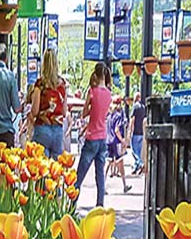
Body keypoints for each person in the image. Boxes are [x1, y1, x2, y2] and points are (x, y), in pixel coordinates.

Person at [76, 62, 113, 206]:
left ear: (96, 75)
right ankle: (100, 207)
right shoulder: (109, 95)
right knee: (100, 178)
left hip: (91, 137)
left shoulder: (92, 91)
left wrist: (90, 108)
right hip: (103, 138)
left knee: (79, 177)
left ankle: (71, 207)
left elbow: (84, 113)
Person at [28, 48, 68, 158]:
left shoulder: (40, 84)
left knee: (41, 167)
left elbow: (35, 111)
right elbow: (64, 112)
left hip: (42, 128)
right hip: (58, 131)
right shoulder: (62, 84)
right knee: (55, 170)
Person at [105, 99, 131, 193]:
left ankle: (102, 185)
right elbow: (117, 130)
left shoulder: (109, 116)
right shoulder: (118, 116)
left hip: (108, 141)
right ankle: (124, 185)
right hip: (116, 142)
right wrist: (122, 140)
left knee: (108, 162)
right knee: (120, 162)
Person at [129, 91, 146, 174]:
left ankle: (140, 164)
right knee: (139, 151)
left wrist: (130, 130)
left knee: (134, 151)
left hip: (135, 132)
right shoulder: (143, 107)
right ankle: (137, 166)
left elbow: (133, 119)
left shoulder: (135, 106)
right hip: (142, 132)